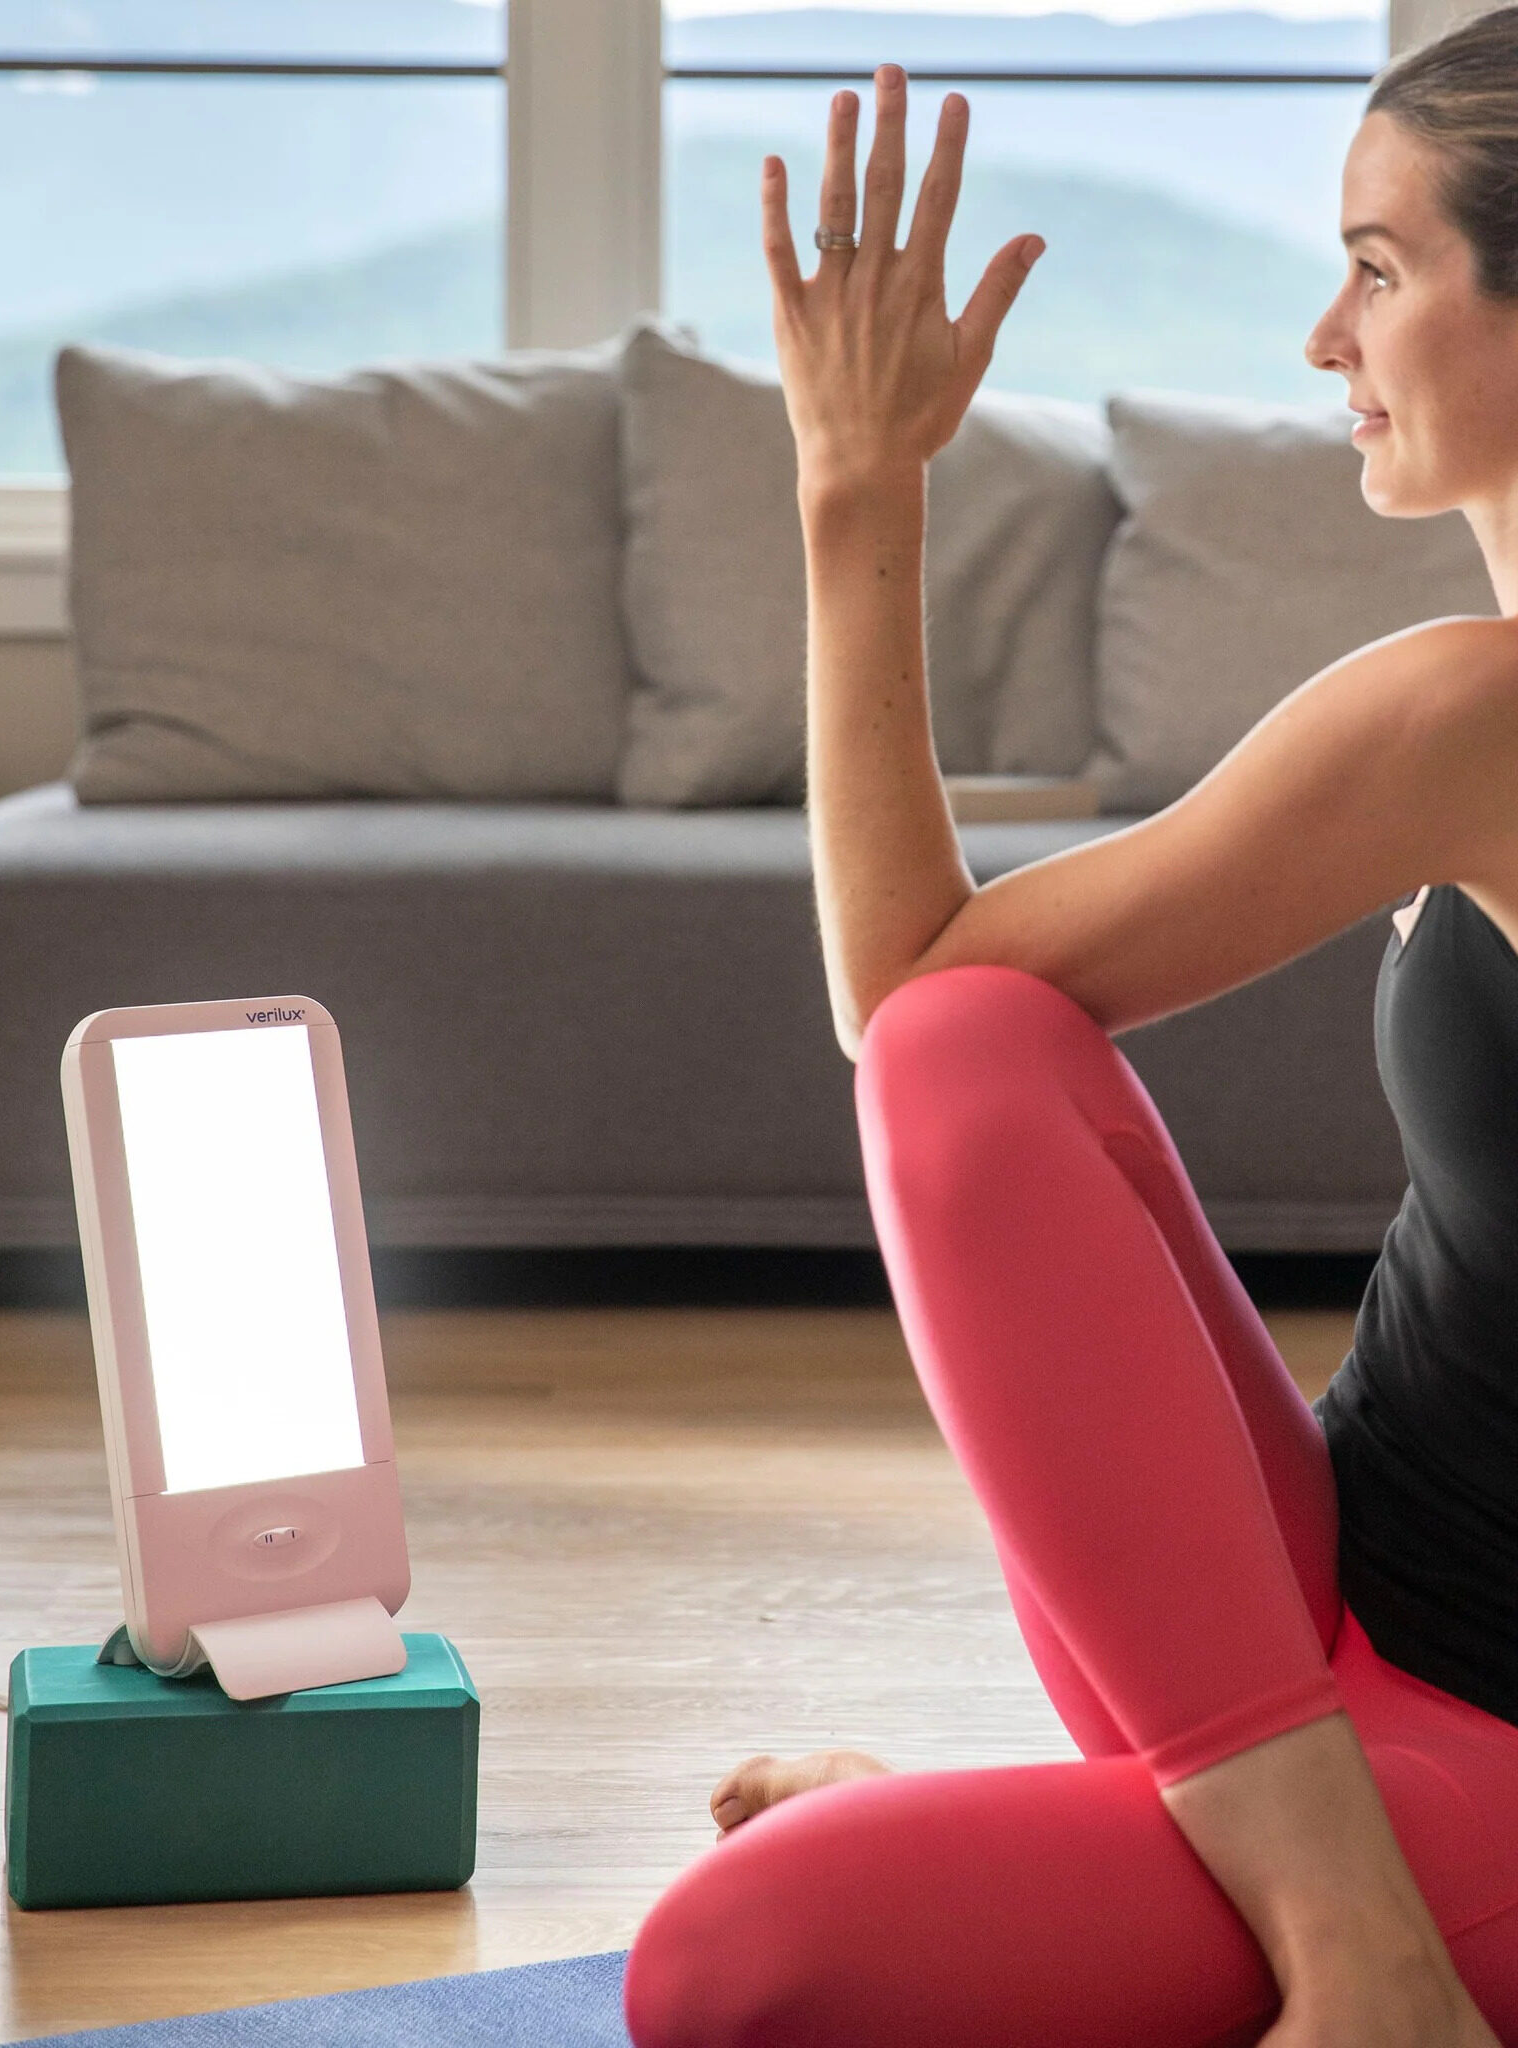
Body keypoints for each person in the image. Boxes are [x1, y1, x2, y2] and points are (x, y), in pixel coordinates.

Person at [623, 10, 1518, 2044]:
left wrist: (859, 487)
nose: (1325, 338)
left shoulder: (1480, 715)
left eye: (1379, 271)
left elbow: (892, 983)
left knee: (733, 1965)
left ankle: (1357, 1952)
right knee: (974, 1056)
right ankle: (1313, 1900)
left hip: (1476, 1740)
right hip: (1303, 1622)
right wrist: (861, 472)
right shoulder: (1469, 706)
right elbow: (939, 1021)